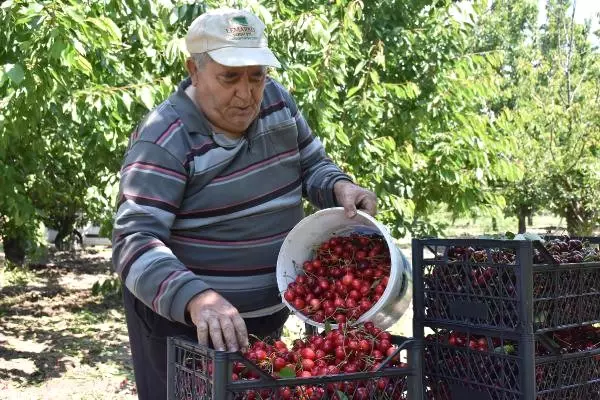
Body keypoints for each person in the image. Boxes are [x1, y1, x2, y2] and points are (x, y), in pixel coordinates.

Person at [111, 7, 377, 400]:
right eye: (230, 76)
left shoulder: (277, 102)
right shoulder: (165, 139)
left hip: (261, 325)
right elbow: (133, 241)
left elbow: (311, 164)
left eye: (257, 75)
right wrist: (195, 298)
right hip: (185, 330)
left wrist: (338, 187)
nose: (247, 92)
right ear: (194, 70)